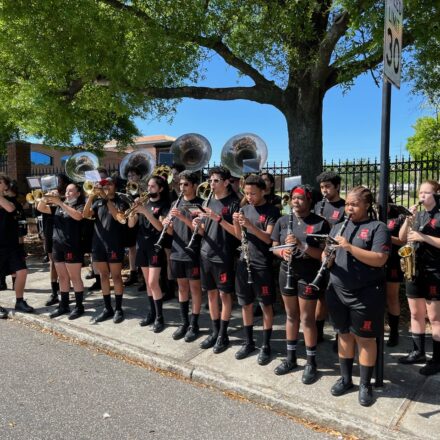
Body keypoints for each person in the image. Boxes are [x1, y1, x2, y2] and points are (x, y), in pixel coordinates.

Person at [325, 186, 390, 406]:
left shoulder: (377, 227)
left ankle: (365, 383)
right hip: (337, 289)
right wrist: (327, 256)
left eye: (354, 204)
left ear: (366, 205)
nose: (349, 208)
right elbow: (328, 257)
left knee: (365, 338)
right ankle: (345, 379)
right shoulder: (337, 228)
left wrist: (350, 247)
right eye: (347, 204)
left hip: (366, 294)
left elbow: (380, 259)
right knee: (343, 334)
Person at [271, 185, 329, 384]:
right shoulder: (282, 221)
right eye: (293, 198)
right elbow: (274, 247)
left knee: (307, 319)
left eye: (300, 198)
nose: (296, 201)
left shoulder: (320, 223)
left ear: (309, 200)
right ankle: (291, 358)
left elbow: (323, 255)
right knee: (291, 315)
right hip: (286, 272)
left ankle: (311, 362)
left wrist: (301, 245)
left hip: (308, 274)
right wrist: (282, 252)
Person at [232, 175, 279, 365]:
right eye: (246, 193)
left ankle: (266, 345)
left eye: (253, 193)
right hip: (244, 261)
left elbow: (269, 239)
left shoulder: (272, 211)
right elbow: (238, 236)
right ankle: (249, 341)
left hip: (263, 264)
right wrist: (237, 222)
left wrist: (250, 226)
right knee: (245, 303)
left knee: (266, 305)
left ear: (263, 191)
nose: (249, 196)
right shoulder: (244, 208)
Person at [194, 166, 240, 353]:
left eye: (216, 181)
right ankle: (214, 331)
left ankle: (223, 333)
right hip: (206, 253)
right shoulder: (209, 200)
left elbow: (237, 234)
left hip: (224, 255)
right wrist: (197, 225)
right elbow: (204, 230)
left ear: (227, 182)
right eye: (210, 180)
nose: (211, 184)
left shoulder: (235, 203)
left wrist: (218, 218)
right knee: (211, 294)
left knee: (224, 295)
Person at [398, 180, 440, 375]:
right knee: (416, 314)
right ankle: (418, 351)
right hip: (414, 269)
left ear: (436, 194)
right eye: (420, 192)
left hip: (434, 271)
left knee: (435, 318)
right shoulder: (419, 214)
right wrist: (408, 219)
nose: (422, 196)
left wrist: (423, 237)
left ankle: (437, 360)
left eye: (426, 193)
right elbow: (402, 237)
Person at [83, 177, 129, 324]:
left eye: (109, 184)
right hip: (98, 243)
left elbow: (118, 217)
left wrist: (106, 199)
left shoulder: (120, 201)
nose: (106, 186)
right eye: (104, 184)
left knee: (116, 276)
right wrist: (91, 197)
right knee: (103, 276)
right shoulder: (97, 202)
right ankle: (107, 308)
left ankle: (119, 309)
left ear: (115, 186)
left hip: (114, 243)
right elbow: (85, 215)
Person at [163, 170, 203, 342]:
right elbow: (172, 232)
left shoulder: (199, 204)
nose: (182, 187)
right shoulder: (175, 203)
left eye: (186, 184)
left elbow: (200, 231)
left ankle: (194, 324)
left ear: (194, 185)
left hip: (192, 251)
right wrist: (166, 224)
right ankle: (184, 322)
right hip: (177, 250)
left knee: (194, 289)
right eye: (180, 184)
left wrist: (184, 218)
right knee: (182, 288)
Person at [128, 175, 171, 333]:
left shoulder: (164, 205)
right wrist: (133, 212)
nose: (149, 189)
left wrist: (145, 212)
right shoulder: (144, 203)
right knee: (147, 283)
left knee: (153, 282)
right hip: (142, 245)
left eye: (152, 186)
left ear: (160, 189)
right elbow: (131, 225)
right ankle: (152, 313)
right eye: (148, 186)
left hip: (155, 246)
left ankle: (160, 317)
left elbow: (160, 227)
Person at [37, 183, 86, 319]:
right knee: (63, 277)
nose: (67, 193)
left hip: (72, 246)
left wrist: (61, 203)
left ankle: (79, 307)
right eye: (66, 191)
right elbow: (40, 208)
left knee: (75, 277)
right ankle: (63, 305)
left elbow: (78, 216)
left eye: (71, 191)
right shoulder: (58, 206)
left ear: (78, 193)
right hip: (57, 246)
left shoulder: (79, 205)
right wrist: (45, 197)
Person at [314, 171, 346, 344]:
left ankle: (339, 336)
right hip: (319, 255)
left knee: (337, 299)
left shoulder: (344, 206)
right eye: (322, 187)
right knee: (321, 297)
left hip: (337, 257)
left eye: (327, 187)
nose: (324, 190)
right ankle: (318, 332)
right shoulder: (318, 205)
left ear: (337, 187)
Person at [0, 174, 34, 318]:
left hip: (12, 243)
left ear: (5, 185)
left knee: (22, 272)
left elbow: (10, 209)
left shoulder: (9, 200)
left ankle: (19, 301)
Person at [42, 173, 70, 306]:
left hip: (63, 231)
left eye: (58, 181)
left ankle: (67, 289)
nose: (55, 183)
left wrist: (58, 198)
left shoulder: (67, 197)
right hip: (49, 228)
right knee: (52, 262)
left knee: (68, 263)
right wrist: (44, 197)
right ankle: (54, 292)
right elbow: (40, 209)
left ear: (64, 183)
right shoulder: (50, 194)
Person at [382, 199, 405, 347]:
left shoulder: (398, 218)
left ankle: (394, 332)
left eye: (384, 203)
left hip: (393, 261)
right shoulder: (373, 216)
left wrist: (382, 236)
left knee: (392, 297)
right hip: (376, 261)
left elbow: (403, 241)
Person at [123, 166, 142, 287]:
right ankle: (133, 272)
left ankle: (141, 273)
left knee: (141, 247)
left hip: (142, 220)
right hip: (131, 219)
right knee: (132, 247)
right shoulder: (127, 190)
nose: (131, 178)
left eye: (133, 175)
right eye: (129, 176)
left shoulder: (144, 188)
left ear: (139, 176)